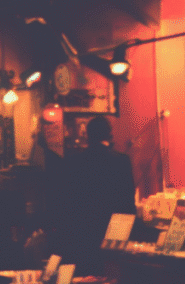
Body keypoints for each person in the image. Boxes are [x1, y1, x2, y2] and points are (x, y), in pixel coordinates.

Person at [55, 116, 136, 274]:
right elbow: (128, 199)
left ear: (87, 135)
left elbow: (65, 198)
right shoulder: (121, 161)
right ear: (109, 134)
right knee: (110, 277)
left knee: (86, 277)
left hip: (82, 230)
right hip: (112, 230)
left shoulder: (73, 161)